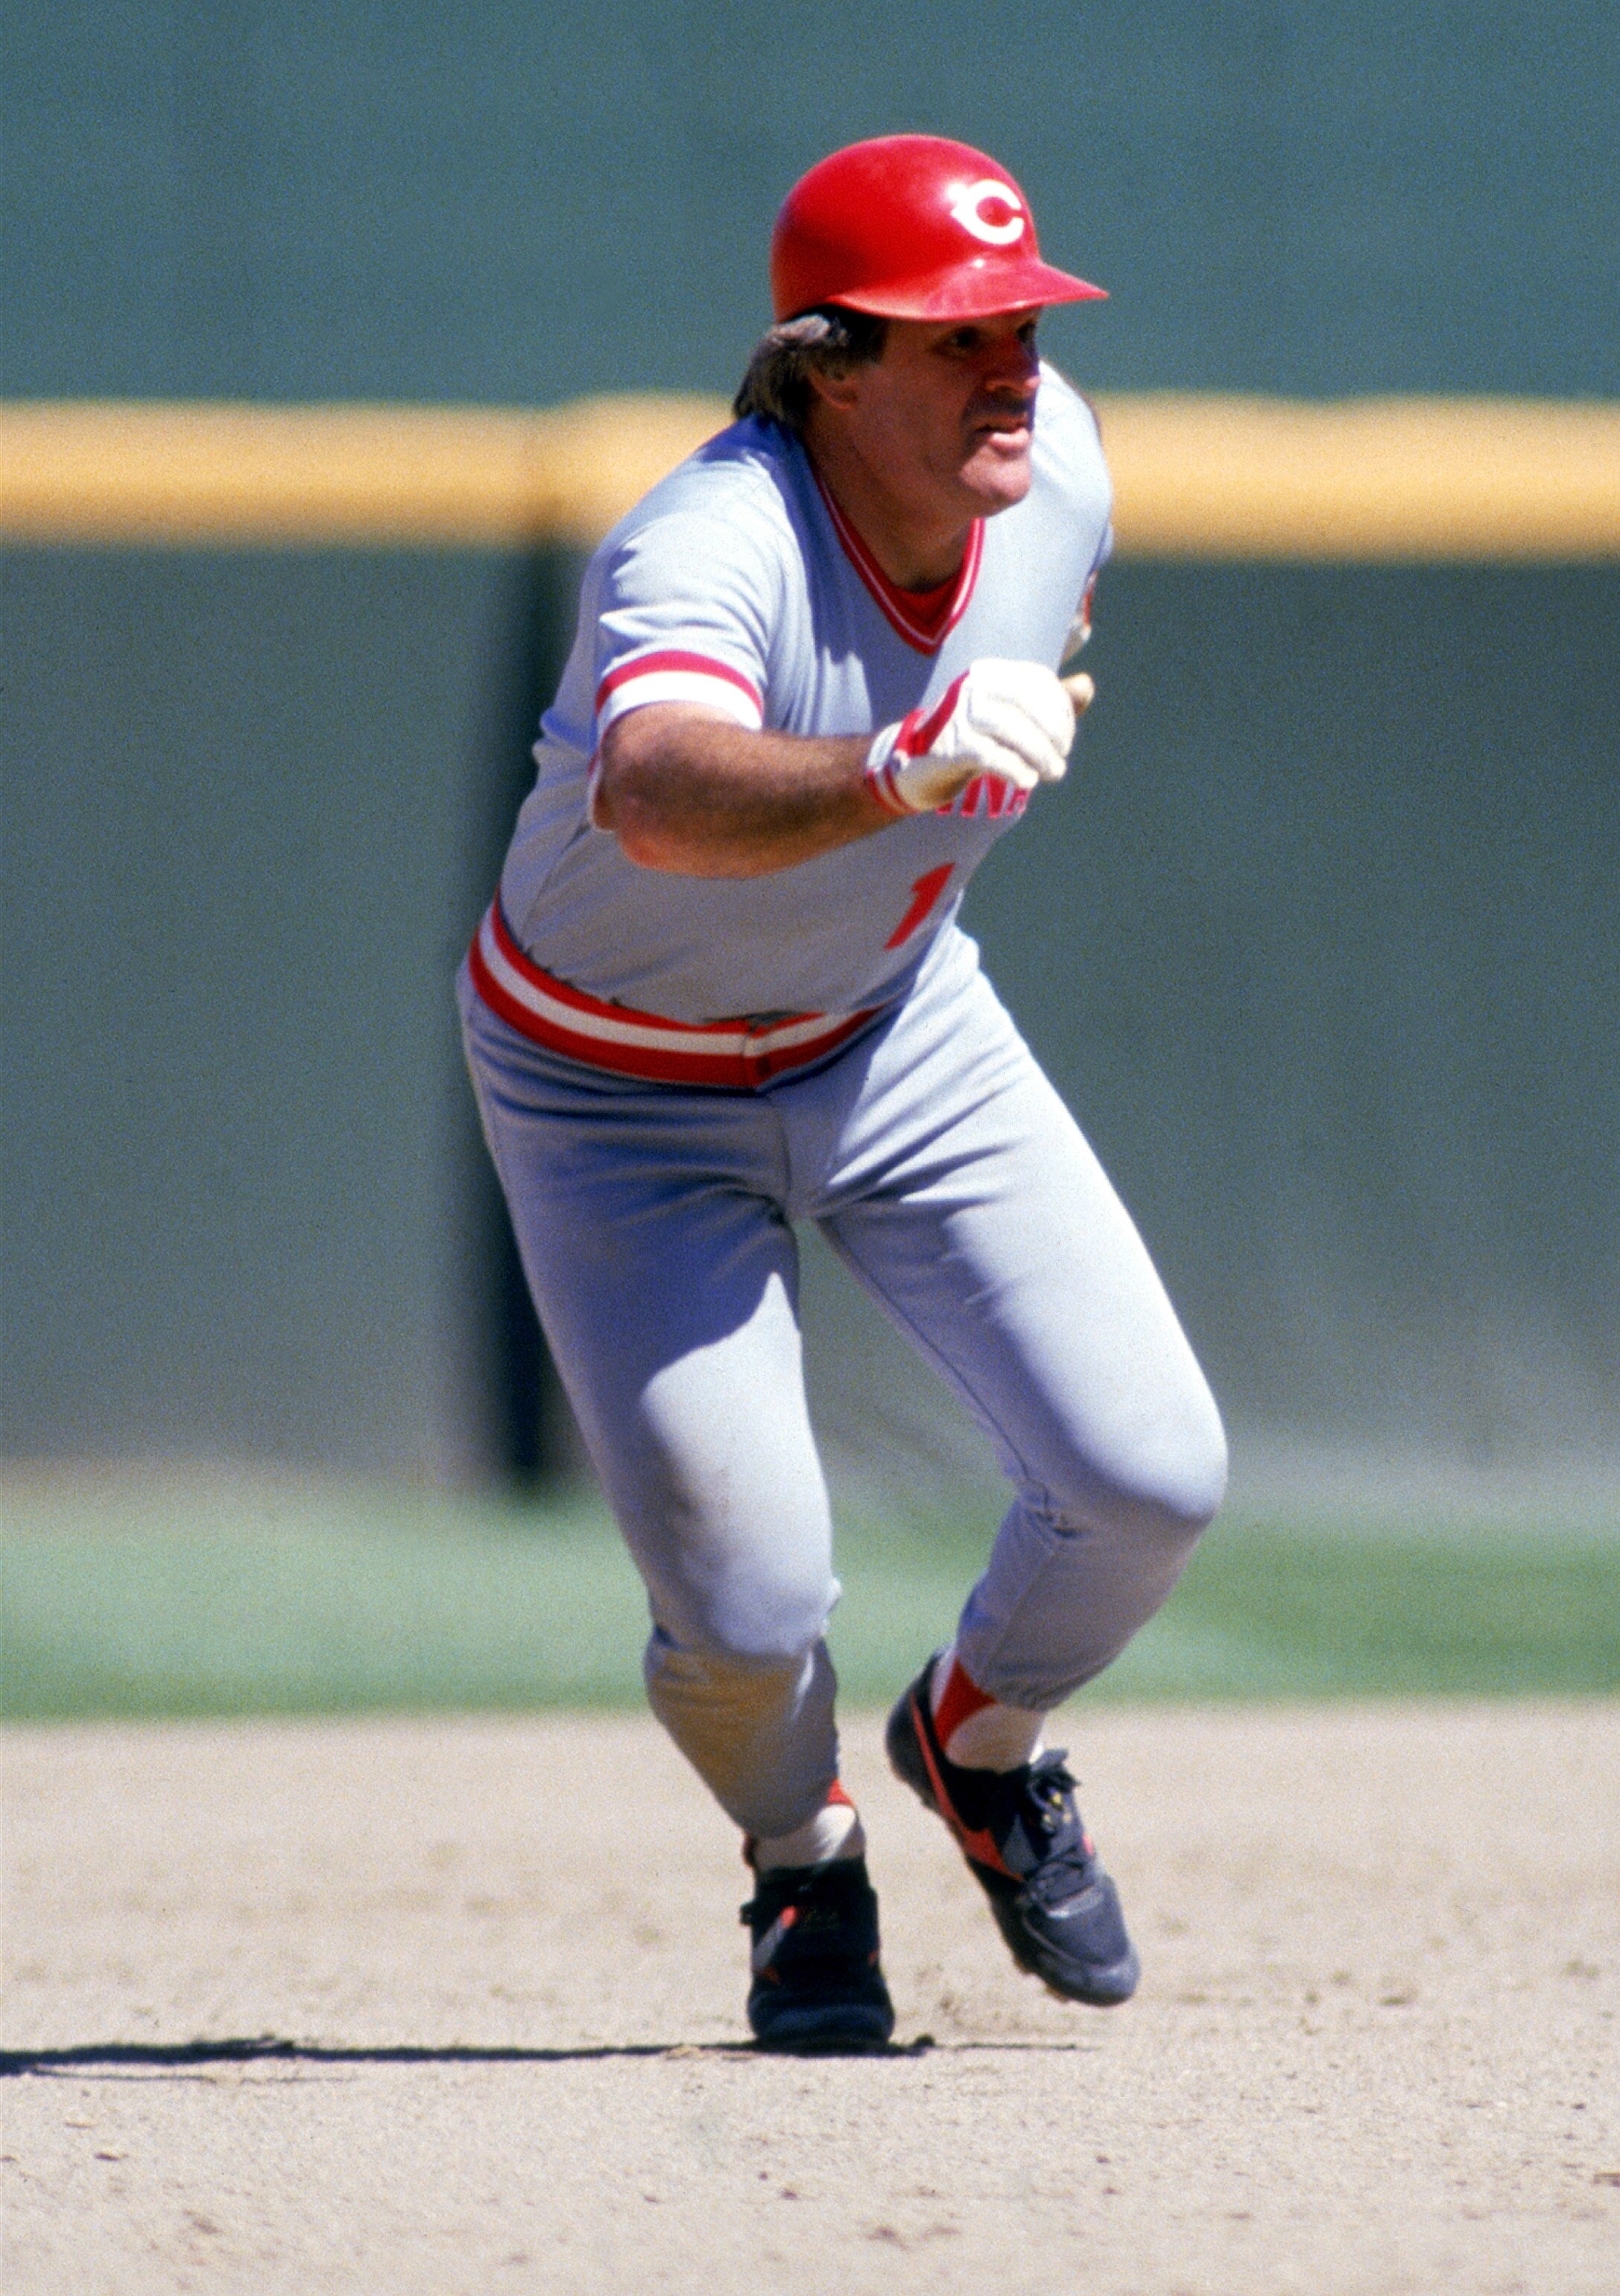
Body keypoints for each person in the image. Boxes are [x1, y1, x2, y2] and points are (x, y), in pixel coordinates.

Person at [461, 134, 1228, 2051]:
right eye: (958, 334)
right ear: (826, 363)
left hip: (891, 1031)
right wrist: (895, 767)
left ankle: (976, 1743)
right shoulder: (709, 538)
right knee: (745, 1606)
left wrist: (968, 739)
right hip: (610, 1088)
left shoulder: (1061, 477)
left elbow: (1033, 652)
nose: (1014, 364)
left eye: (1027, 320)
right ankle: (801, 1861)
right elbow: (650, 790)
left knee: (1150, 1478)